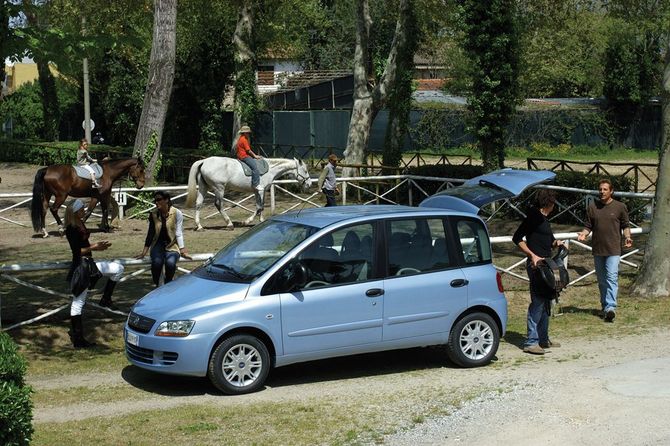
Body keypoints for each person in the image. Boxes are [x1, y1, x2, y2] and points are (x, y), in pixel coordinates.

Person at [65, 199, 124, 348]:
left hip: (88, 264)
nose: (85, 210)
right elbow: (77, 251)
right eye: (82, 208)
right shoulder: (71, 228)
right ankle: (78, 340)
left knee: (118, 268)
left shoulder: (80, 223)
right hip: (82, 266)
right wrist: (95, 247)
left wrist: (96, 247)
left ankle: (106, 299)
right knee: (77, 304)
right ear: (76, 211)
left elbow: (84, 246)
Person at [513, 189, 565, 355]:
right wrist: (532, 255)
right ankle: (531, 341)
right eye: (553, 202)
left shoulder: (543, 219)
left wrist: (556, 242)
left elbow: (547, 241)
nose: (554, 206)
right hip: (537, 265)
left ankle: (542, 339)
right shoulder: (534, 217)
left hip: (547, 264)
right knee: (538, 302)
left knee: (546, 302)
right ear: (548, 203)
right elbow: (517, 238)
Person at [578, 179, 632, 323]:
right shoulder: (592, 207)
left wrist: (627, 237)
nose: (602, 192)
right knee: (602, 281)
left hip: (613, 249)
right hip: (598, 249)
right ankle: (605, 306)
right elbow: (588, 225)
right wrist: (583, 233)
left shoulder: (620, 207)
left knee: (612, 278)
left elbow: (626, 225)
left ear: (611, 191)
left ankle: (610, 307)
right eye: (600, 189)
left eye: (605, 189)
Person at [136, 191, 192, 287]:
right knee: (157, 263)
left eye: (159, 200)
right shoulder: (153, 214)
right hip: (157, 244)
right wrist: (144, 252)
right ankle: (158, 286)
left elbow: (179, 232)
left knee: (170, 263)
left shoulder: (177, 213)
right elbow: (150, 233)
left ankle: (168, 285)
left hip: (172, 245)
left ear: (166, 200)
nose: (156, 202)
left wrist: (182, 250)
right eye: (155, 200)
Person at [236, 125, 263, 193]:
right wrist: (255, 156)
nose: (248, 134)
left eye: (249, 133)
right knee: (255, 168)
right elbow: (248, 150)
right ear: (244, 133)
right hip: (244, 156)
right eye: (247, 133)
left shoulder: (241, 138)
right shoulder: (244, 140)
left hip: (239, 155)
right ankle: (256, 184)